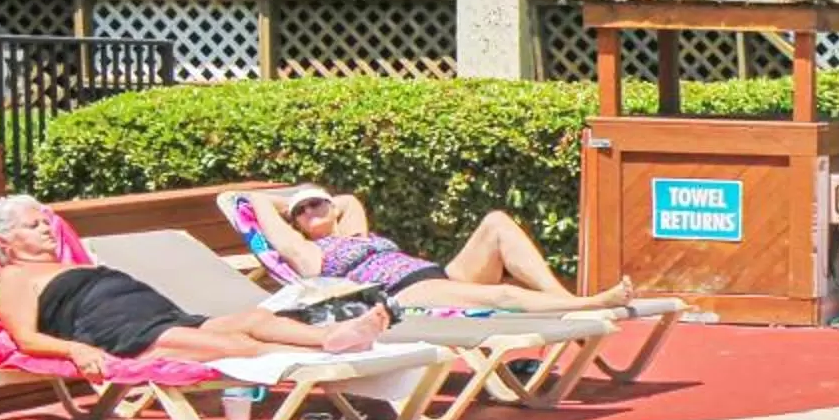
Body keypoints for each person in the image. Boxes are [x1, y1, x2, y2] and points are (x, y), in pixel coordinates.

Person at [0, 195, 387, 379]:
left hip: (161, 316)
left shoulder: (66, 263)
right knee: (239, 347)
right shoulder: (14, 277)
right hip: (125, 335)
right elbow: (25, 338)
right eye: (35, 226)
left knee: (255, 318)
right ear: (7, 241)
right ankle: (317, 357)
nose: (48, 229)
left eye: (47, 222)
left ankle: (330, 337)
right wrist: (76, 349)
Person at [247, 183, 632, 315]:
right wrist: (284, 203)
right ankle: (588, 305)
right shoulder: (310, 253)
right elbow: (253, 201)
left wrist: (321, 200)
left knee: (497, 221)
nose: (312, 210)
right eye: (303, 210)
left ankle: (562, 301)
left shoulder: (354, 233)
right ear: (294, 221)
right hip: (404, 293)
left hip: (436, 274)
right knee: (499, 294)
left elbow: (347, 199)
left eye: (319, 204)